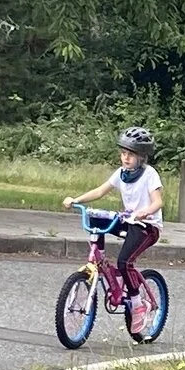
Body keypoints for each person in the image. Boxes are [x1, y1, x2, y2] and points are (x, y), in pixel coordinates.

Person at [63, 126, 164, 329]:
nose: (126, 158)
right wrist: (76, 200)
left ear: (142, 157)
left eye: (131, 155)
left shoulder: (149, 174)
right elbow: (101, 191)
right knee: (95, 218)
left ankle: (137, 304)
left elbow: (158, 202)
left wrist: (145, 212)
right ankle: (97, 258)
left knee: (125, 261)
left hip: (147, 226)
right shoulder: (121, 173)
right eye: (123, 153)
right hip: (129, 221)